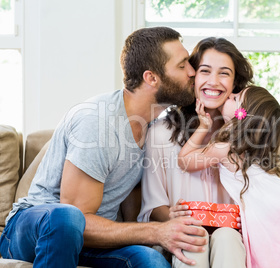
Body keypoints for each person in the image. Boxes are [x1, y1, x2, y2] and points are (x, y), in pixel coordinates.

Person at [0, 27, 209, 268]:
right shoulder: (98, 123)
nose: (193, 72)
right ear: (151, 78)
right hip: (36, 230)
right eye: (183, 66)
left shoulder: (155, 127)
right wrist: (155, 231)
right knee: (66, 219)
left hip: (93, 244)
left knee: (150, 260)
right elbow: (77, 219)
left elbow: (132, 190)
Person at [177, 85, 280, 267]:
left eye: (236, 98)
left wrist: (202, 126)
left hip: (274, 210)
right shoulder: (254, 151)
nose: (230, 95)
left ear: (242, 115)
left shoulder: (225, 149)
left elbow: (184, 160)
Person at [138, 37, 254, 267]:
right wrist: (174, 215)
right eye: (205, 71)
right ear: (192, 77)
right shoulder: (161, 133)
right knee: (194, 237)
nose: (213, 82)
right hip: (183, 236)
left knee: (226, 236)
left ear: (235, 83)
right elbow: (153, 207)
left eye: (224, 73)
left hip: (232, 236)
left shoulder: (247, 136)